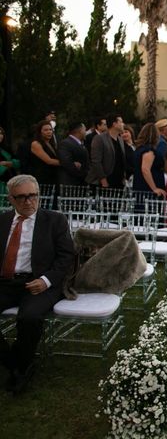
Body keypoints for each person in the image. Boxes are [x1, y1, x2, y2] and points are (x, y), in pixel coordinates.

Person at [0, 175, 75, 394]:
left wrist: (46, 280)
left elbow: (66, 256)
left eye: (32, 195)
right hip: (5, 283)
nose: (28, 201)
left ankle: (21, 369)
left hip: (39, 283)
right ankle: (14, 361)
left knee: (29, 318)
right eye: (21, 197)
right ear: (11, 199)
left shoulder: (54, 220)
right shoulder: (3, 221)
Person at [85, 114, 127, 189]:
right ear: (114, 124)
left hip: (118, 181)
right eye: (121, 122)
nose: (123, 124)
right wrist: (103, 179)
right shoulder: (99, 138)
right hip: (104, 181)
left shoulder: (120, 140)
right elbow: (96, 161)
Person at [133, 123, 166, 197]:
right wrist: (154, 188)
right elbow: (145, 169)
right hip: (148, 190)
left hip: (140, 185)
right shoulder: (148, 151)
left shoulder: (139, 149)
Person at [29, 120, 60, 187]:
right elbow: (49, 161)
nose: (49, 132)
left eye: (50, 130)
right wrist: (68, 163)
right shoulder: (36, 144)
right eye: (46, 130)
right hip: (42, 179)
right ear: (40, 132)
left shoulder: (51, 143)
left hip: (53, 177)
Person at [57, 122, 89, 186]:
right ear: (80, 131)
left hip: (79, 183)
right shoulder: (65, 143)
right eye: (85, 130)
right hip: (70, 183)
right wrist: (81, 173)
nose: (86, 132)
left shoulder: (79, 143)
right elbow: (66, 163)